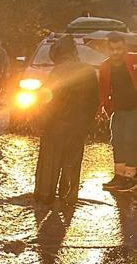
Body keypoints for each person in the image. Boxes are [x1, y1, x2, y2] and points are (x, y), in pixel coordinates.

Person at [34, 34, 99, 205]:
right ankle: (69, 197)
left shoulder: (58, 71)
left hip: (55, 126)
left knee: (49, 163)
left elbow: (47, 99)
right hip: (78, 126)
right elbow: (94, 101)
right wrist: (88, 124)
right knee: (73, 163)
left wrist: (40, 122)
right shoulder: (89, 71)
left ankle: (45, 197)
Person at [100, 31, 137, 193]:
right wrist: (103, 108)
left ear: (124, 48)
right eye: (113, 49)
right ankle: (119, 175)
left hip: (134, 108)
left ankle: (131, 176)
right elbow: (103, 90)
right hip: (118, 109)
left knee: (130, 139)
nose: (116, 52)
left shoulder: (134, 59)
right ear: (108, 49)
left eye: (119, 49)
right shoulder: (105, 66)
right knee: (117, 141)